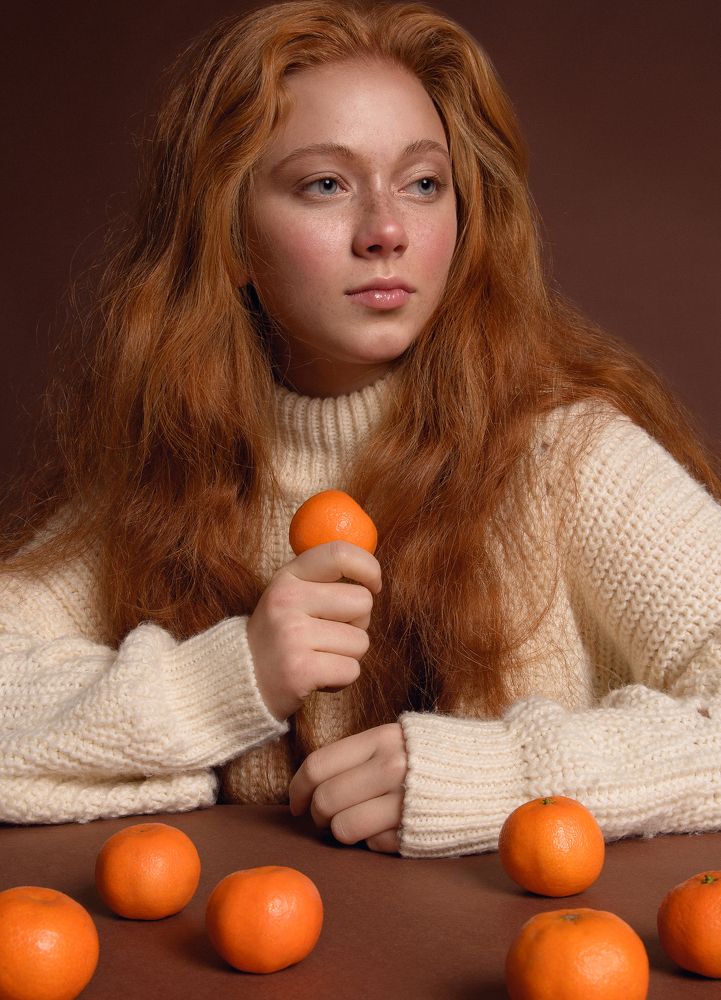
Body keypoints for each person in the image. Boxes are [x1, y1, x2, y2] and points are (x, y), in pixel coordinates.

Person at [1, 0, 720, 860]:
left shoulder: (565, 454)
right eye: (325, 185)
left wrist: (501, 776)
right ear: (229, 238)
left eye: (422, 184)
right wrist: (226, 681)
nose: (385, 231)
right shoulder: (169, 467)